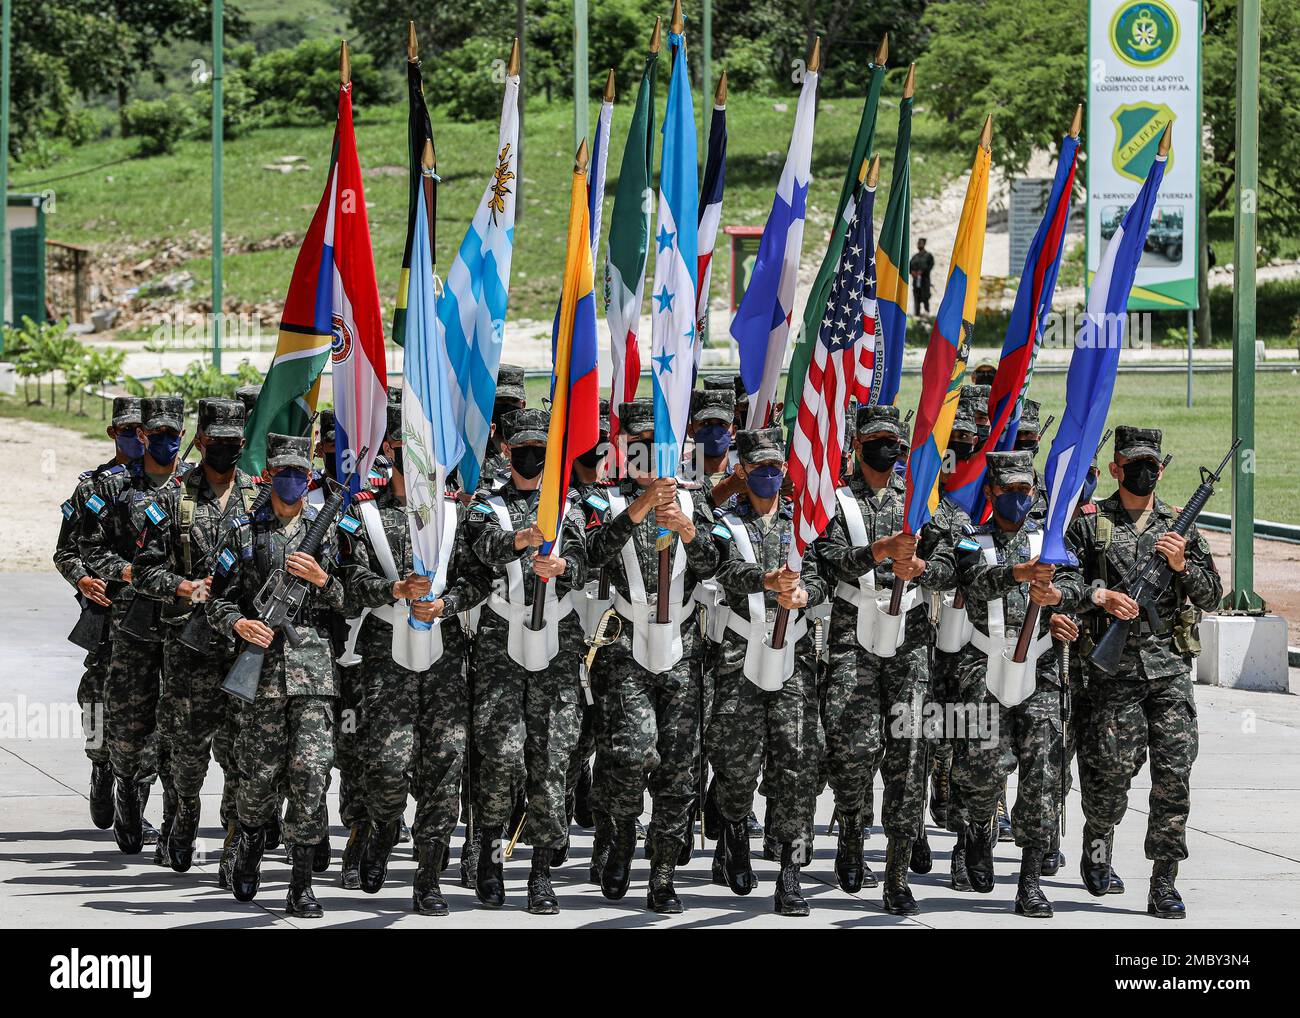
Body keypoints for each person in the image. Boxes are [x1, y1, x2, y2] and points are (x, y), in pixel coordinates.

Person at [1065, 427, 1222, 919]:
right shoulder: (1091, 524)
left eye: (1151, 463)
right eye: (1133, 462)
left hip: (1170, 672)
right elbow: (1064, 582)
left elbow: (1212, 595)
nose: (1144, 470)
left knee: (1173, 777)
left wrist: (1182, 566)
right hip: (1113, 678)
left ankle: (1163, 882)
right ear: (1115, 468)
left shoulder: (1180, 527)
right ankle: (1098, 837)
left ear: (1162, 468)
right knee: (1110, 776)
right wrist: (1101, 595)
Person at [338, 403, 487, 914]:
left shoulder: (454, 514)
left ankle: (428, 876)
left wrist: (448, 604)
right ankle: (381, 830)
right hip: (386, 656)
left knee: (445, 767)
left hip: (444, 658)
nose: (413, 461)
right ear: (390, 452)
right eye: (404, 452)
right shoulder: (364, 513)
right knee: (386, 764)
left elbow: (478, 579)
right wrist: (393, 587)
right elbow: (349, 582)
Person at [816, 404, 961, 914]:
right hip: (853, 640)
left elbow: (953, 561)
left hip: (910, 645)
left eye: (893, 442)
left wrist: (923, 565)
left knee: (909, 757)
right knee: (851, 751)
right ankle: (851, 829)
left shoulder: (922, 503)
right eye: (875, 440)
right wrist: (876, 552)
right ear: (858, 445)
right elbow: (825, 557)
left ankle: (897, 873)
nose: (886, 450)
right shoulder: (837, 500)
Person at [584, 399, 719, 913]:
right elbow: (592, 556)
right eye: (637, 444)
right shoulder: (606, 502)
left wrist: (686, 527)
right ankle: (618, 836)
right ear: (625, 450)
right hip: (626, 647)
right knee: (631, 751)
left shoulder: (694, 500)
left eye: (655, 445)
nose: (648, 456)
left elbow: (714, 564)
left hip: (682, 647)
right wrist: (638, 510)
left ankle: (662, 873)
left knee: (679, 767)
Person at [206, 432, 347, 918]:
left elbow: (352, 599)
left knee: (310, 776)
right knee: (260, 776)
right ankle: (247, 844)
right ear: (268, 476)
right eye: (283, 472)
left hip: (313, 675)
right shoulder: (242, 531)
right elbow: (215, 600)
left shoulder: (329, 530)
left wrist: (322, 581)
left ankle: (301, 882)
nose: (292, 481)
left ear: (310, 479)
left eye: (300, 474)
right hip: (260, 677)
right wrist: (239, 623)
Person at [950, 450, 1086, 918]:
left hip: (1041, 670)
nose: (1016, 499)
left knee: (1043, 776)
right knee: (985, 768)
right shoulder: (973, 541)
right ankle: (978, 826)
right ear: (990, 493)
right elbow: (970, 579)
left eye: (1024, 491)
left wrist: (1062, 599)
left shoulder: (1049, 544)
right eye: (1007, 491)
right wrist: (1019, 574)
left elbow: (1082, 588)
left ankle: (1029, 879)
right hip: (985, 666)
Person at [463, 407, 588, 913]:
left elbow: (585, 558)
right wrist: (521, 539)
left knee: (552, 759)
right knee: (499, 756)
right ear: (507, 450)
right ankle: (491, 859)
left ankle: (540, 874)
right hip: (500, 640)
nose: (533, 457)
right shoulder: (485, 504)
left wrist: (563, 564)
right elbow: (482, 548)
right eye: (524, 449)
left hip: (556, 639)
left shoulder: (569, 504)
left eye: (542, 448)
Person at [132, 397, 258, 875]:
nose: (223, 451)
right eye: (215, 443)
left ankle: (232, 845)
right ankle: (182, 814)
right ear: (200, 442)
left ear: (241, 445)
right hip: (189, 645)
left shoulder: (258, 499)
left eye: (232, 444)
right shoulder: (172, 499)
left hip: (242, 647)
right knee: (186, 750)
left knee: (240, 752)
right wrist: (180, 585)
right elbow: (143, 571)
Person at [707, 427, 826, 916]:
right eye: (760, 468)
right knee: (736, 769)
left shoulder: (804, 523)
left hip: (792, 660)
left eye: (778, 467)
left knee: (797, 766)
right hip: (739, 658)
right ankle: (734, 827)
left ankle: (790, 873)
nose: (771, 475)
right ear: (744, 470)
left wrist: (804, 594)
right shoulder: (723, 523)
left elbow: (819, 576)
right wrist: (766, 580)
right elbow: (719, 568)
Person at [79, 394, 189, 859]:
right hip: (125, 622)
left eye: (172, 436)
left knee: (178, 726)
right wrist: (115, 575)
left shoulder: (193, 490)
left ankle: (167, 826)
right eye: (154, 435)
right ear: (139, 436)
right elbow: (81, 549)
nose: (163, 442)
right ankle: (114, 775)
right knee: (122, 718)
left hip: (184, 627)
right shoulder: (111, 489)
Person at [54, 395, 143, 831]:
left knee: (151, 707)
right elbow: (65, 551)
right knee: (96, 696)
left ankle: (136, 803)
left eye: (144, 431)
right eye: (128, 431)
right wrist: (83, 579)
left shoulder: (173, 485)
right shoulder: (92, 487)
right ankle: (100, 764)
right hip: (107, 615)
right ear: (113, 434)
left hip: (150, 615)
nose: (137, 439)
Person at [909, 239, 935, 316]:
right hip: (916, 281)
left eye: (920, 243)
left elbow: (930, 265)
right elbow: (909, 267)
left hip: (925, 281)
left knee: (925, 297)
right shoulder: (915, 257)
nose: (919, 244)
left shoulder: (928, 256)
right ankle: (917, 315)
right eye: (918, 243)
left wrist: (922, 272)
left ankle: (927, 314)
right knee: (916, 298)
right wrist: (912, 272)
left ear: (924, 244)